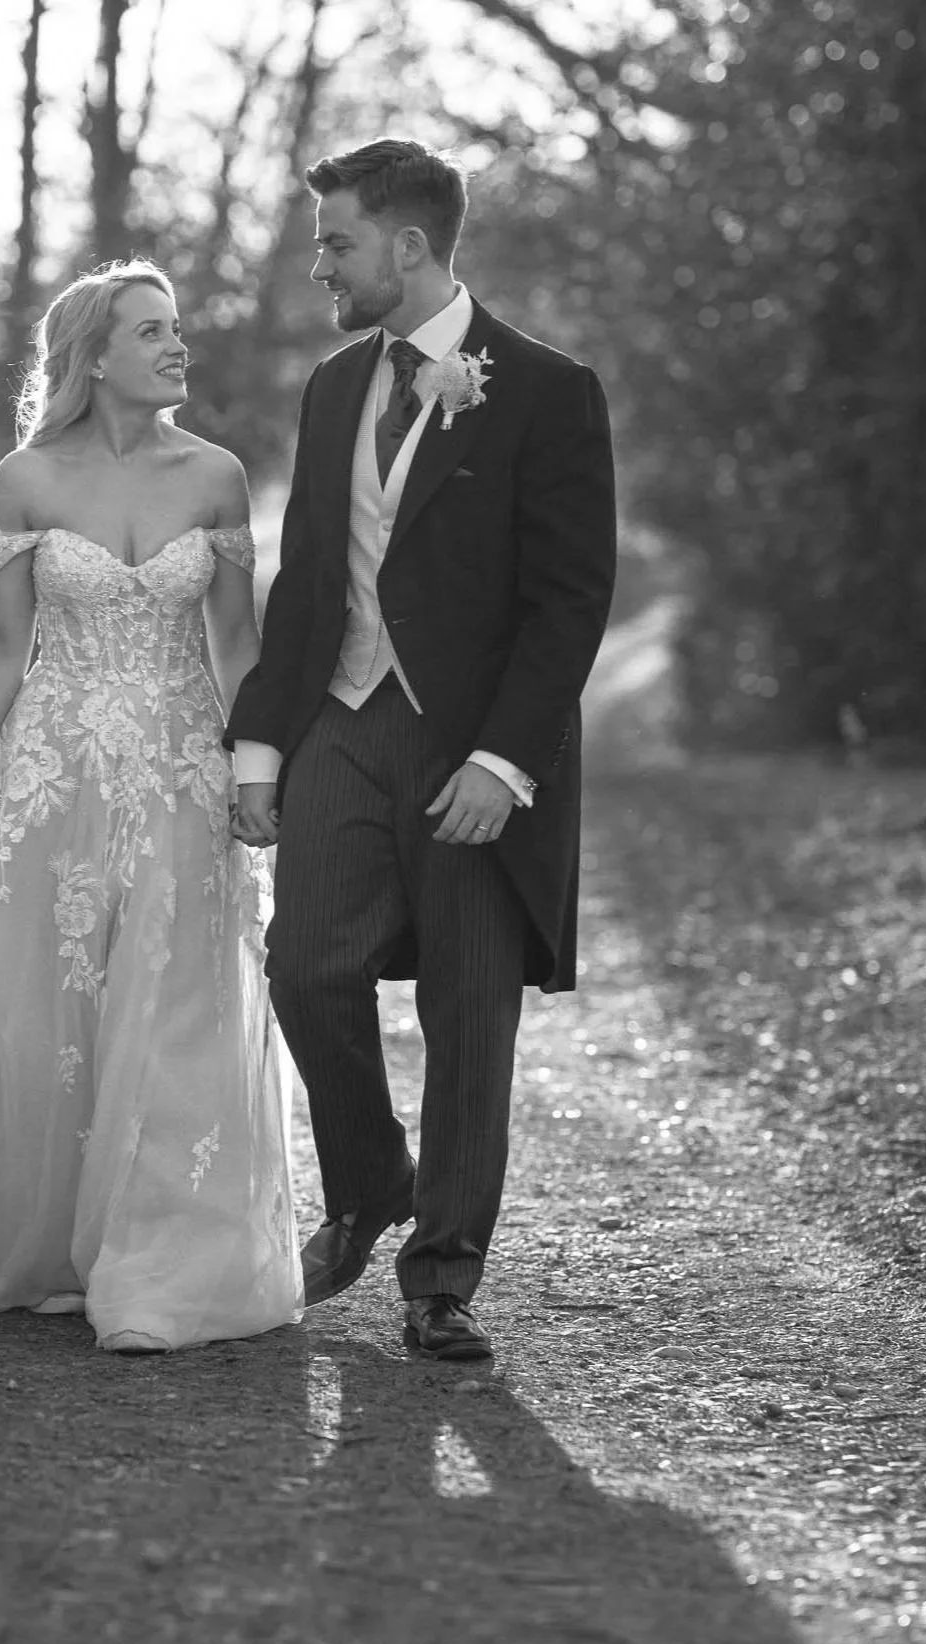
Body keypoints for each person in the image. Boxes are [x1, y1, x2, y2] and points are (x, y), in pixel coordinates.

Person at [0, 260, 301, 1354]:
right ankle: (39, 1243)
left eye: (176, 329)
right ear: (92, 356)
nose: (178, 347)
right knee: (44, 1010)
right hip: (50, 773)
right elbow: (1, 645)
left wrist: (252, 772)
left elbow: (235, 641)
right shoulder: (23, 480)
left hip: (177, 771)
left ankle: (157, 1263)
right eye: (152, 331)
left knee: (172, 1007)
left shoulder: (216, 475)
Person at [225, 139, 616, 1364]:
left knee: (465, 1009)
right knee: (302, 964)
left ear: (406, 246)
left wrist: (505, 764)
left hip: (469, 748)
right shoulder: (333, 385)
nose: (318, 263)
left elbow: (568, 600)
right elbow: (307, 584)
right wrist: (257, 745)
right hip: (342, 721)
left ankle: (438, 1276)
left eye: (335, 241)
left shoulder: (549, 390)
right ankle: (367, 1176)